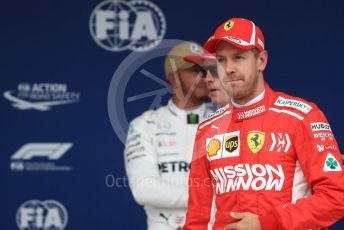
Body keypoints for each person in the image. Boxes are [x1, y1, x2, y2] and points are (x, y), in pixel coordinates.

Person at [183, 18, 344, 230]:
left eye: (238, 58)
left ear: (261, 61)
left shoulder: (302, 116)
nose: (228, 69)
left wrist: (267, 223)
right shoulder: (207, 129)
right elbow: (197, 219)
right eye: (220, 60)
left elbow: (336, 197)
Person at [124, 41, 214, 230]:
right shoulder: (145, 125)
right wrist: (209, 197)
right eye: (194, 70)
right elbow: (144, 190)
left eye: (207, 70)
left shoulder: (227, 122)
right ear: (173, 78)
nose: (204, 77)